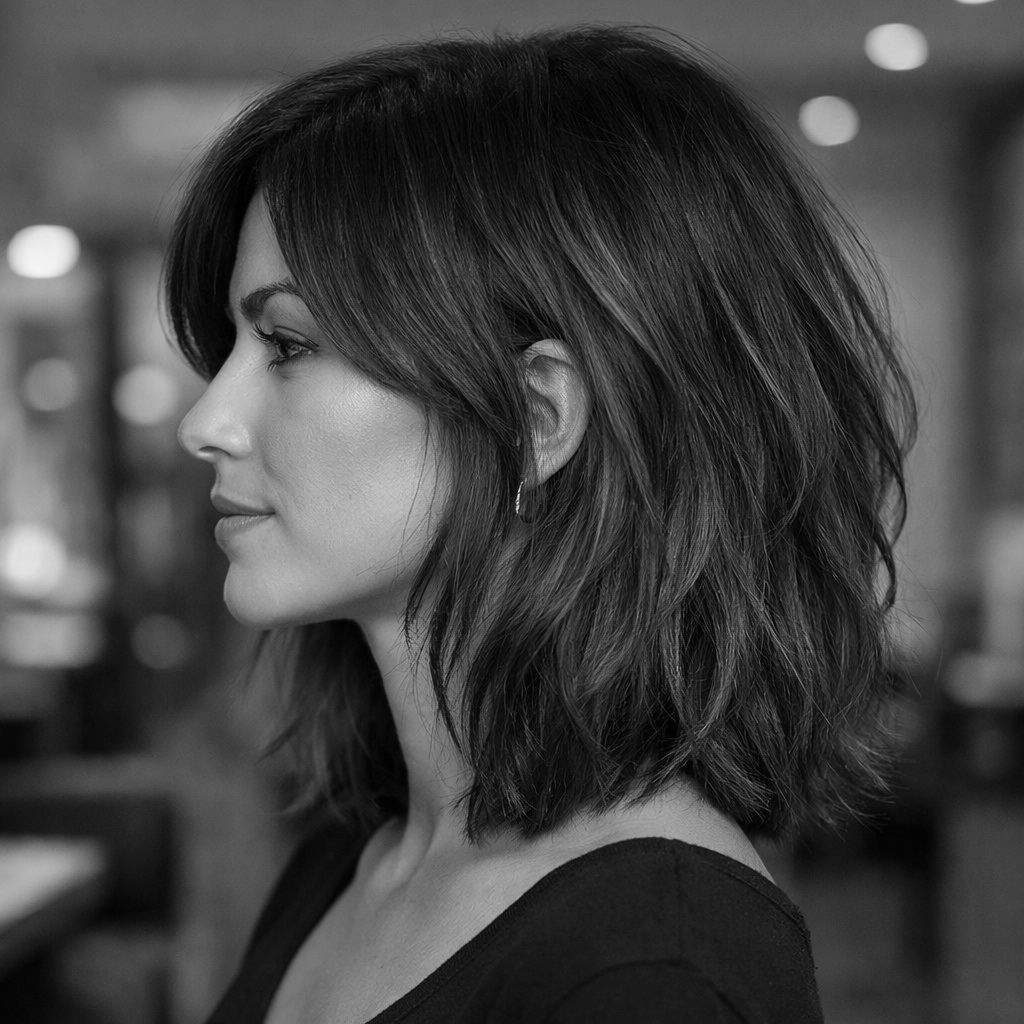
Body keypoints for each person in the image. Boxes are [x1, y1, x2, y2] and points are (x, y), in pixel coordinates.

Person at [167, 21, 918, 1024]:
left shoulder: (655, 968)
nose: (205, 420)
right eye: (231, 349)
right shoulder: (350, 862)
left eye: (289, 344)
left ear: (536, 418)